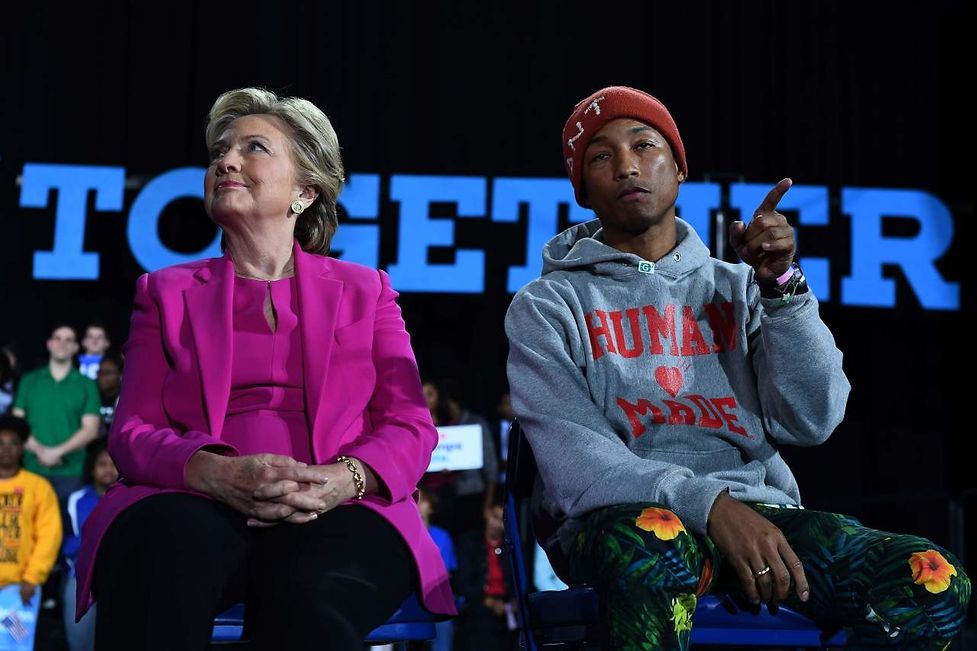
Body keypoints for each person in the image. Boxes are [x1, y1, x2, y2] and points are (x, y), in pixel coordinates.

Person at [504, 86, 970, 649]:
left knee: (933, 581)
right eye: (601, 156)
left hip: (760, 519)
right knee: (652, 541)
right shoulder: (547, 305)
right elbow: (576, 460)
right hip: (628, 526)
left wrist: (782, 289)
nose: (626, 165)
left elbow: (813, 419)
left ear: (678, 169)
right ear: (582, 190)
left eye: (644, 144)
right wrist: (711, 506)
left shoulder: (741, 286)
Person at [73, 87, 455, 650]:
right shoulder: (165, 292)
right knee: (161, 548)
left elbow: (409, 426)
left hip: (338, 505)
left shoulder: (365, 290)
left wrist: (340, 480)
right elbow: (132, 433)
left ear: (305, 189)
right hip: (192, 501)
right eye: (219, 152)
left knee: (310, 595)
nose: (226, 160)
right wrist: (214, 474)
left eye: (253, 147)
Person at [12, 325, 101, 508]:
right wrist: (41, 452)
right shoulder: (29, 380)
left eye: (69, 339)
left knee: (70, 531)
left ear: (76, 347)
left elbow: (91, 429)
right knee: (30, 530)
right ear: (49, 343)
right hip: (32, 467)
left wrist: (55, 453)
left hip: (72, 471)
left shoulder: (87, 385)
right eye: (58, 338)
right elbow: (17, 425)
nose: (62, 343)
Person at [0, 415, 62, 611]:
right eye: (0, 444)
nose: (6, 450)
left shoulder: (39, 487)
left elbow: (49, 535)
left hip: (19, 589)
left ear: (22, 448)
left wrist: (32, 577)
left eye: (13, 444)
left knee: (14, 641)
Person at [61, 438, 117, 651]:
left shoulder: (129, 496)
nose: (108, 470)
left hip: (117, 576)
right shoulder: (75, 499)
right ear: (92, 468)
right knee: (79, 641)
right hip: (81, 577)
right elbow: (66, 545)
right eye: (102, 464)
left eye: (113, 464)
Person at [93, 351, 122, 438]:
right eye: (100, 372)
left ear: (120, 375)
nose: (102, 377)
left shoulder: (126, 398)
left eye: (108, 373)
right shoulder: (92, 394)